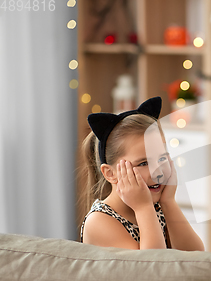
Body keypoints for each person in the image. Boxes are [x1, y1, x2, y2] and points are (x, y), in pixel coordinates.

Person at [79, 96, 204, 251]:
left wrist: (169, 203)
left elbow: (196, 258)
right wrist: (143, 208)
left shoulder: (158, 207)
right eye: (143, 163)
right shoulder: (99, 221)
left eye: (162, 158)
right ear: (110, 173)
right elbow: (151, 267)